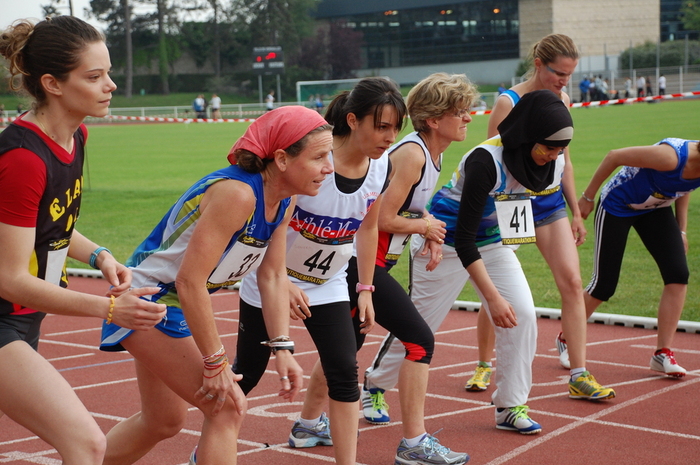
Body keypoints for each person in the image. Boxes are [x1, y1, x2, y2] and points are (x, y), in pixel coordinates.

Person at [99, 106, 334, 465]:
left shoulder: (284, 201)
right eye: (319, 156)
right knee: (226, 408)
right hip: (147, 302)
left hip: (174, 305)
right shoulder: (238, 195)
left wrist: (283, 347)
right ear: (283, 159)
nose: (329, 167)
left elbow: (271, 276)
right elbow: (189, 281)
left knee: (163, 421)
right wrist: (214, 362)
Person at [0, 16, 166, 464]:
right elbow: (10, 279)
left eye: (108, 72)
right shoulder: (22, 158)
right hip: (4, 316)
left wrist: (99, 254)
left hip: (22, 318)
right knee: (88, 444)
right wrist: (110, 308)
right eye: (94, 77)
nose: (110, 85)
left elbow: (51, 225)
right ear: (52, 83)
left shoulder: (75, 136)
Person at [233, 77, 404, 465]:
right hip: (270, 279)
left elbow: (368, 226)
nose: (389, 136)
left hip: (327, 284)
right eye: (381, 126)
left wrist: (364, 288)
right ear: (353, 120)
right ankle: (206, 451)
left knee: (344, 371)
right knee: (249, 373)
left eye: (395, 127)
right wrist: (282, 283)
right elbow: (265, 227)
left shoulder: (381, 168)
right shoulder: (311, 167)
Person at [405, 90, 574, 436]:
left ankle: (510, 405)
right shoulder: (485, 161)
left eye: (560, 150)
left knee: (523, 314)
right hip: (442, 240)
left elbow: (523, 215)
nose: (555, 156)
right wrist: (493, 299)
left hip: (492, 243)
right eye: (549, 148)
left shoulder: (552, 163)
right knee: (418, 328)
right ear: (528, 136)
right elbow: (464, 240)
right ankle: (375, 386)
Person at [464, 33, 614, 401]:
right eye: (558, 73)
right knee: (500, 287)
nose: (564, 81)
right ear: (538, 64)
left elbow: (564, 159)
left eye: (569, 75)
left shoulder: (562, 99)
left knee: (572, 282)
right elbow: (493, 159)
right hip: (514, 203)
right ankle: (485, 364)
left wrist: (576, 209)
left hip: (549, 205)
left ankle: (578, 373)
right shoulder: (507, 102)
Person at [348, 73, 477, 465]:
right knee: (420, 342)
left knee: (345, 349)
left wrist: (429, 232)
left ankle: (308, 423)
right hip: (362, 264)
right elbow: (382, 218)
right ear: (435, 119)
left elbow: (411, 207)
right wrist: (424, 227)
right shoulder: (412, 154)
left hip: (375, 263)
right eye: (461, 112)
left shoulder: (432, 154)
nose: (469, 118)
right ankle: (414, 444)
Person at [578, 137, 700, 379]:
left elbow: (684, 187)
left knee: (678, 274)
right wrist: (588, 197)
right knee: (604, 285)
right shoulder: (671, 156)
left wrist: (681, 229)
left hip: (655, 209)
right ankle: (566, 335)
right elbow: (614, 155)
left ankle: (662, 354)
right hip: (618, 205)